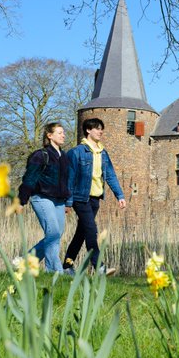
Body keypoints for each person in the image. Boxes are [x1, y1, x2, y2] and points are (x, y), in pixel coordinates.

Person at [64, 117, 126, 274]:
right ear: (88, 130)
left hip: (95, 199)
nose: (101, 131)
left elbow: (110, 175)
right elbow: (69, 178)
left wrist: (120, 195)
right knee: (91, 230)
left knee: (81, 234)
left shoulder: (103, 153)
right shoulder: (76, 152)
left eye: (101, 128)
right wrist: (68, 202)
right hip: (80, 198)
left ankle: (67, 265)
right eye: (97, 128)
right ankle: (99, 266)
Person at [17, 122, 71, 273]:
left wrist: (67, 201)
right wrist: (22, 201)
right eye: (59, 132)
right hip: (42, 198)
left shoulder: (64, 157)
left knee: (56, 235)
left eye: (63, 132)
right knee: (53, 233)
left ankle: (25, 262)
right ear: (49, 135)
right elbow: (29, 179)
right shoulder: (40, 155)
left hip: (59, 201)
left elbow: (67, 180)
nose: (63, 135)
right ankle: (55, 272)